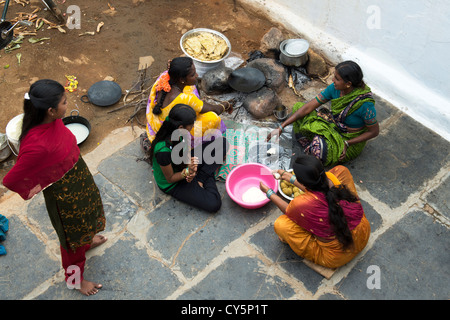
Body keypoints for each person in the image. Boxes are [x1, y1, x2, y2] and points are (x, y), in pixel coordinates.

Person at [2, 79, 107, 296]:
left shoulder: (52, 120)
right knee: (71, 240)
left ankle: (86, 242)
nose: (67, 105)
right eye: (64, 102)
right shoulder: (35, 145)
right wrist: (43, 180)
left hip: (79, 178)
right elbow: (12, 179)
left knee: (87, 219)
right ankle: (74, 280)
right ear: (51, 110)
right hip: (64, 197)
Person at [259, 154, 370, 269]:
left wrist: (269, 192)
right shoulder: (330, 179)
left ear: (303, 183)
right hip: (363, 233)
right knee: (341, 171)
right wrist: (290, 178)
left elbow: (288, 210)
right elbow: (317, 188)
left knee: (281, 225)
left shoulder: (304, 204)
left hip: (337, 255)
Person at [267, 60, 379, 166]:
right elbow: (308, 107)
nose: (332, 80)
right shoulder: (334, 89)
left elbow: (374, 132)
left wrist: (347, 143)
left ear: (348, 84)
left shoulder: (365, 105)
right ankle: (315, 142)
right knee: (298, 107)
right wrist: (282, 126)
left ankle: (317, 144)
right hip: (333, 127)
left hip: (347, 140)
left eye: (337, 78)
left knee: (320, 150)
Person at [149, 103, 227, 213]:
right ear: (181, 127)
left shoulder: (176, 126)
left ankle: (200, 177)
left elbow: (185, 151)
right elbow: (170, 178)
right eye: (191, 125)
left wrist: (190, 163)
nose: (193, 127)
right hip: (174, 182)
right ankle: (205, 175)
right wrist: (188, 172)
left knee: (222, 143)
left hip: (184, 164)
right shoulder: (163, 152)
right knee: (214, 203)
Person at [142, 56, 232, 152]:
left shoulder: (164, 78)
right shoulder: (184, 99)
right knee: (213, 118)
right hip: (173, 133)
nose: (197, 75)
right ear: (181, 79)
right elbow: (216, 110)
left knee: (191, 88)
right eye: (193, 75)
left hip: (160, 122)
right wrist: (226, 105)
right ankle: (191, 146)